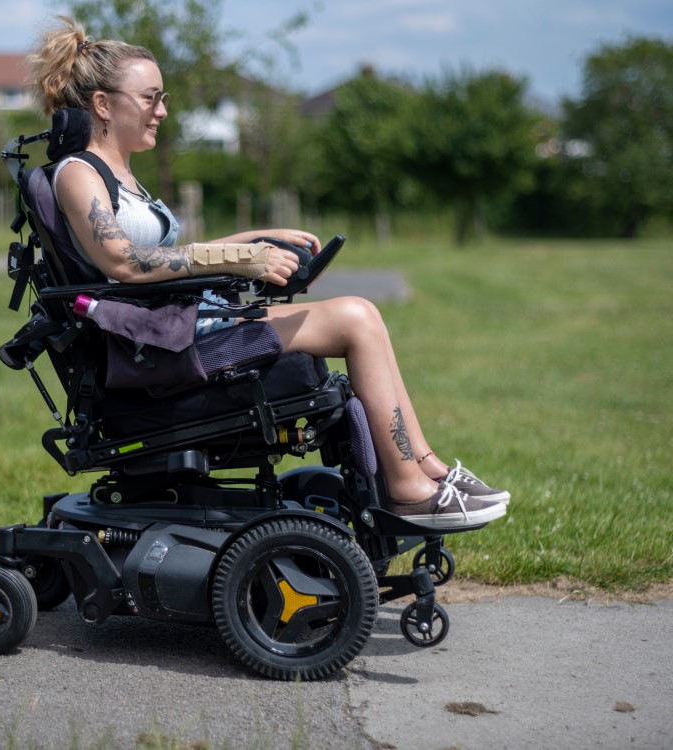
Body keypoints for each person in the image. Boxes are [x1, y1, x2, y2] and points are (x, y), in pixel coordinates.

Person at [26, 16, 509, 530]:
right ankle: (409, 488)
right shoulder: (79, 173)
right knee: (354, 318)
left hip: (180, 329)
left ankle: (426, 468)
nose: (162, 111)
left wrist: (255, 240)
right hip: (156, 350)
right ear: (103, 103)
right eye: (151, 97)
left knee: (360, 314)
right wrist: (240, 261)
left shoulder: (119, 172)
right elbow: (122, 262)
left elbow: (169, 254)